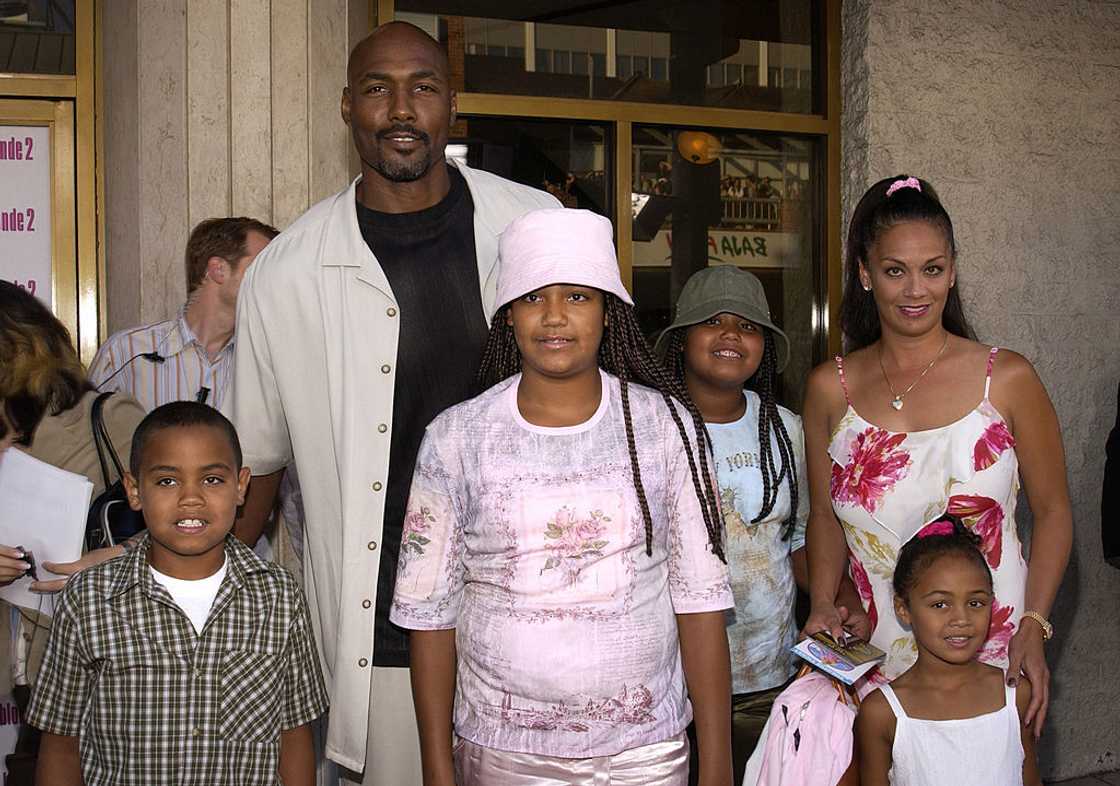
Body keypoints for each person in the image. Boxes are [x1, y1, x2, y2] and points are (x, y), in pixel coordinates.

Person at [225, 21, 559, 783]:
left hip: (543, 614)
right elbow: (257, 467)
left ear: (452, 103)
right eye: (378, 89)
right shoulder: (285, 273)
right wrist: (199, 591)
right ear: (347, 107)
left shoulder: (534, 228)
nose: (401, 109)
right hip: (381, 636)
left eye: (423, 87)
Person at [391, 208, 733, 786]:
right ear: (507, 316)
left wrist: (718, 763)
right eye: (532, 298)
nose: (554, 317)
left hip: (645, 753)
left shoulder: (665, 427)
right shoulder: (456, 438)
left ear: (607, 313)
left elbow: (700, 600)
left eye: (577, 296)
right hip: (502, 753)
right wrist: (436, 766)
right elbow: (429, 615)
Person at [803, 175, 1072, 736]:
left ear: (952, 271)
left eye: (932, 269)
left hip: (994, 651)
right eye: (894, 270)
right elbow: (825, 516)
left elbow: (1053, 513)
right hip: (875, 660)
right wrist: (825, 602)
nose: (914, 289)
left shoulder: (1009, 378)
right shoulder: (831, 388)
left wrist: (1035, 624)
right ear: (864, 274)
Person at [28, 401, 328, 786]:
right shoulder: (88, 601)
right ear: (134, 490)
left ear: (241, 487)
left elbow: (294, 735)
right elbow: (60, 744)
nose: (191, 498)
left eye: (213, 480)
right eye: (168, 481)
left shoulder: (280, 599)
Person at [655, 265, 868, 783]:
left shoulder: (787, 429)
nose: (731, 335)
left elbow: (800, 539)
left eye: (748, 326)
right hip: (667, 679)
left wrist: (839, 598)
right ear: (682, 340)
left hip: (766, 674)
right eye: (713, 321)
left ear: (764, 349)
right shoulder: (649, 424)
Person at [0, 281, 146, 692]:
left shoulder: (106, 418)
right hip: (17, 672)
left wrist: (118, 556)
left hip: (92, 656)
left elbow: (189, 522)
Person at [857, 515, 1042, 786]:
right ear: (903, 609)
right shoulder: (881, 713)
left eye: (976, 603)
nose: (961, 619)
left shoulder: (1015, 696)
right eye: (940, 605)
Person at [89, 216, 277, 412]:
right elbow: (85, 437)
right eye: (263, 264)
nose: (274, 279)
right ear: (218, 269)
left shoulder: (268, 361)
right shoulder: (124, 352)